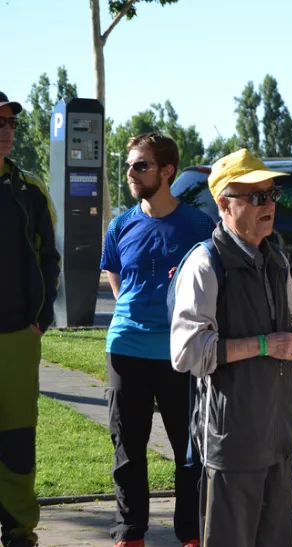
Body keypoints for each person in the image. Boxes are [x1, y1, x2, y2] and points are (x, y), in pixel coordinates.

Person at [170, 149, 292, 547]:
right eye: (255, 197)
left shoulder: (277, 261)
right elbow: (187, 353)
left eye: (271, 195)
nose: (268, 205)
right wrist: (267, 345)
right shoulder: (205, 263)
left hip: (279, 436)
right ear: (224, 205)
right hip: (232, 442)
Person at [100, 132, 213, 547]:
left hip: (179, 355)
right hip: (126, 349)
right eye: (129, 164)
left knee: (190, 450)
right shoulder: (120, 225)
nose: (131, 172)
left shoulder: (200, 226)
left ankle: (191, 534)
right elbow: (116, 277)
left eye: (140, 165)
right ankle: (130, 535)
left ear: (166, 172)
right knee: (127, 449)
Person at [0, 91, 60, 547]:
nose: (6, 132)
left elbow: (49, 258)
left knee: (17, 438)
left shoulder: (28, 189)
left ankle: (19, 529)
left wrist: (40, 317)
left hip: (18, 336)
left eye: (10, 124)